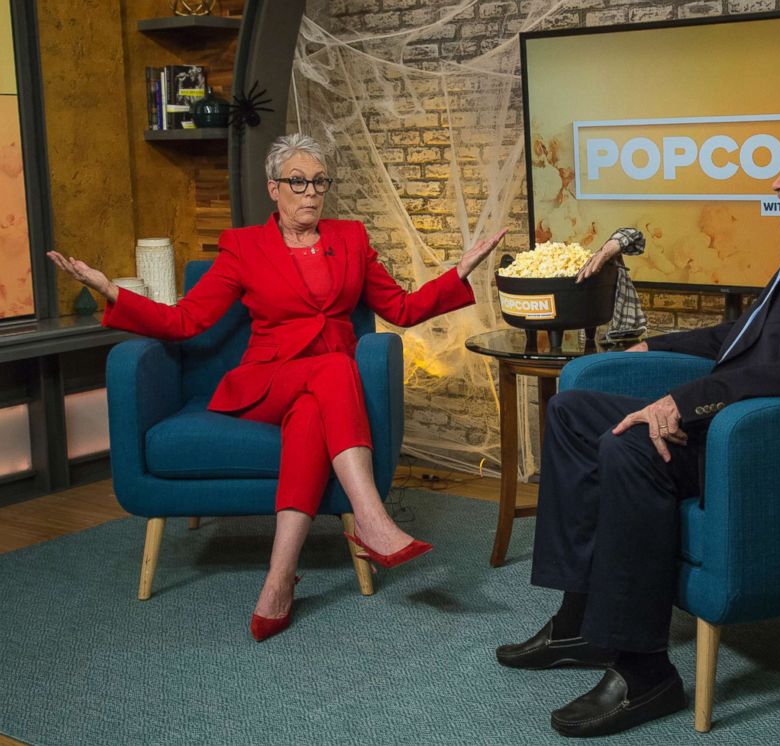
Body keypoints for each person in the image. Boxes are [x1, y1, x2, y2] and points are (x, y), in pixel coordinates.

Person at [495, 118, 780, 738]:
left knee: (636, 444)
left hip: (779, 445)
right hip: (746, 421)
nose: (778, 179)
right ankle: (580, 618)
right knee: (574, 413)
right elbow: (743, 339)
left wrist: (687, 402)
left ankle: (643, 670)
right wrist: (651, 346)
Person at [49, 133, 507, 642]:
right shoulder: (242, 247)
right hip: (266, 382)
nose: (310, 193)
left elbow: (399, 309)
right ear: (273, 188)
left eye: (318, 182)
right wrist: (110, 289)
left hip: (322, 394)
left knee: (318, 404)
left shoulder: (351, 239)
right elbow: (186, 321)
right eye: (297, 182)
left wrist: (458, 271)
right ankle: (372, 520)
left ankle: (278, 580)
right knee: (336, 367)